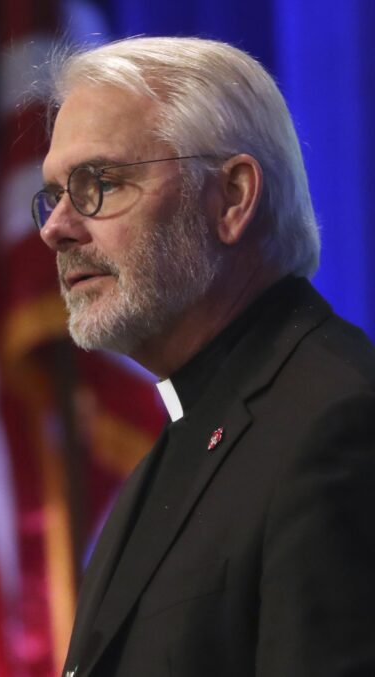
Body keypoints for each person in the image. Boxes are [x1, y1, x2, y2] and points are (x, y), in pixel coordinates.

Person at [32, 37, 375, 676]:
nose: (56, 228)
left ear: (233, 197)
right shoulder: (191, 431)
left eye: (99, 183)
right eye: (55, 194)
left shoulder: (336, 423)